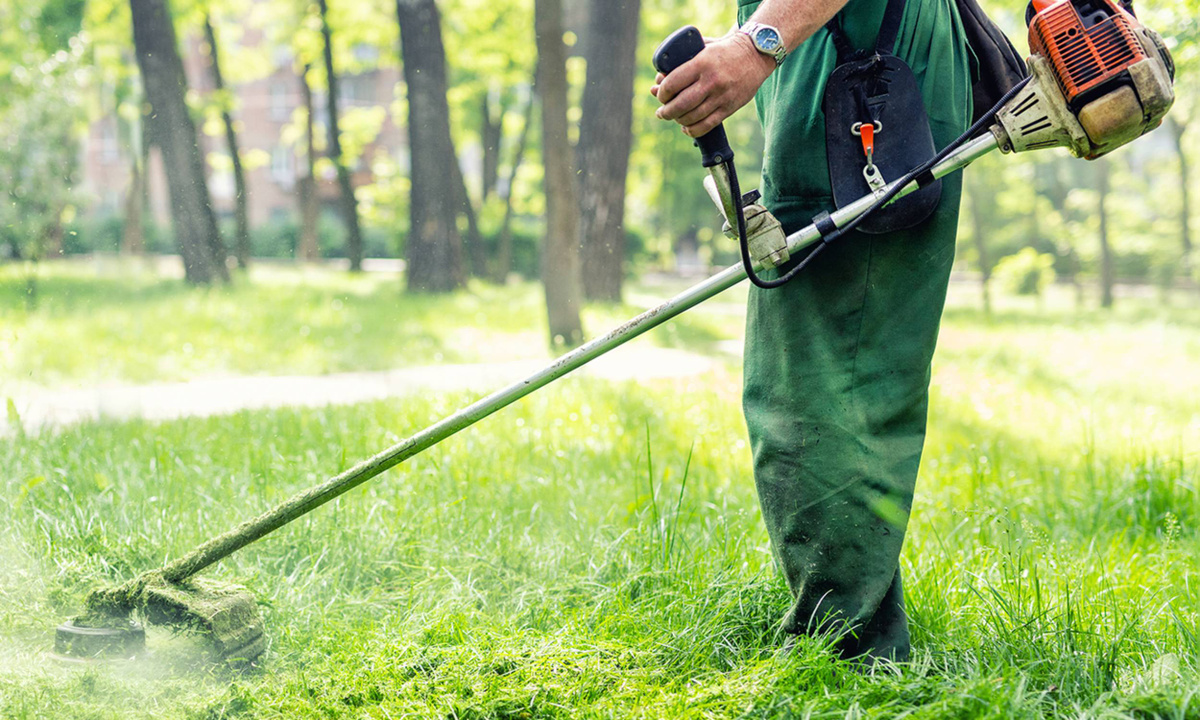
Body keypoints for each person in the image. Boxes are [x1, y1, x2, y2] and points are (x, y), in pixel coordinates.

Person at [652, 0, 973, 662]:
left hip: (864, 59)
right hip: (842, 48)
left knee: (826, 375)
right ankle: (860, 634)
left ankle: (849, 655)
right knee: (819, 371)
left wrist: (756, 45)